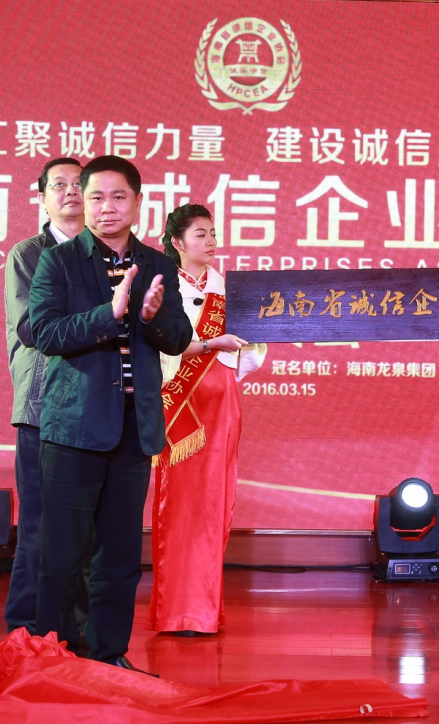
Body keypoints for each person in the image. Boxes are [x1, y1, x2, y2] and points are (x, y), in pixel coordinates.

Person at [29, 155, 192, 673]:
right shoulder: (58, 261)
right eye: (95, 197)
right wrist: (111, 313)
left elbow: (179, 337)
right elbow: (45, 333)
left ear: (138, 203)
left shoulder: (159, 264)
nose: (106, 207)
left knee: (119, 557)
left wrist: (152, 317)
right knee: (62, 556)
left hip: (132, 429)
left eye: (118, 197)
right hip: (72, 428)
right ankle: (57, 657)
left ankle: (107, 656)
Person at [146, 204, 266, 636]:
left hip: (221, 402)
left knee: (216, 500)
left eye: (213, 233)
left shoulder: (229, 289)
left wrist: (237, 350)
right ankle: (176, 611)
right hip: (179, 403)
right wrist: (209, 345)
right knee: (178, 503)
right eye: (201, 234)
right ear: (177, 242)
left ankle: (204, 611)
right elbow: (156, 343)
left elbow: (252, 350)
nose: (211, 241)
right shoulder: (161, 286)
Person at [3, 157, 91, 637]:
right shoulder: (28, 255)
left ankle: (75, 629)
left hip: (97, 410)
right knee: (39, 524)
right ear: (42, 198)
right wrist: (103, 318)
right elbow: (32, 327)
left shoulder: (109, 253)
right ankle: (25, 627)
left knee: (87, 527)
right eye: (60, 184)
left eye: (79, 184)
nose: (71, 191)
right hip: (43, 406)